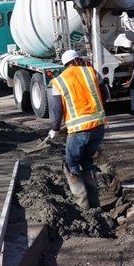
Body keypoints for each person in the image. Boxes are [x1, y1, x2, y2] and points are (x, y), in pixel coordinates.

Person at [47, 49, 108, 209]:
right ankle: (95, 204)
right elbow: (105, 95)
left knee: (71, 163)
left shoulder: (59, 81)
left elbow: (57, 108)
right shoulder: (91, 72)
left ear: (65, 64)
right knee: (87, 162)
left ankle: (83, 206)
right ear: (78, 60)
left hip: (79, 130)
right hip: (98, 127)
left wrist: (54, 128)